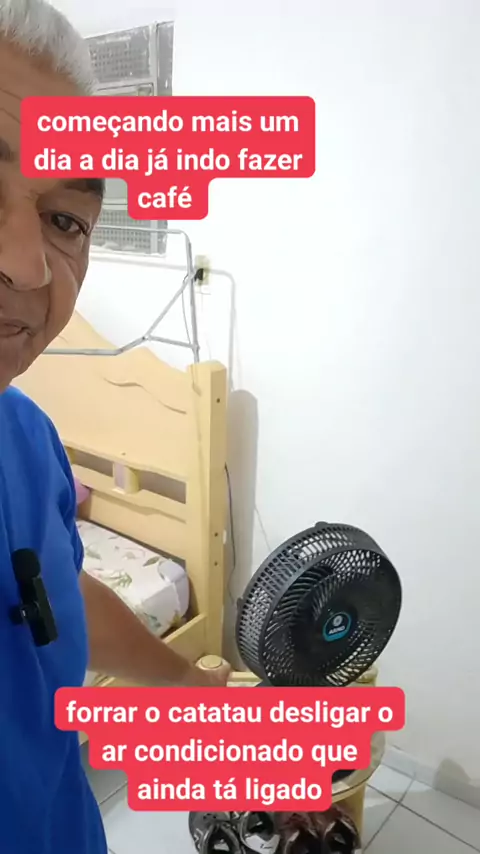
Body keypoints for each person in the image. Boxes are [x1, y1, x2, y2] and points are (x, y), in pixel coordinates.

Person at [0, 2, 230, 852]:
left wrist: (183, 680)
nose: (29, 267)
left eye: (66, 221)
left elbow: (54, 593)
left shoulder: (27, 440)